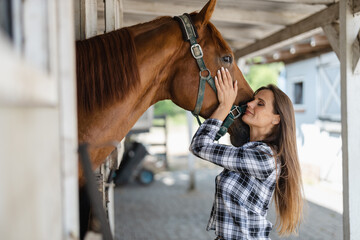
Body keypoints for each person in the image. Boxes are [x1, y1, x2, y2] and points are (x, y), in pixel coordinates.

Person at [190, 67, 304, 240]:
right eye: (253, 100)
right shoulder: (250, 150)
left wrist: (224, 106)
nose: (249, 104)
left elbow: (200, 145)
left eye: (260, 104)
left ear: (276, 119)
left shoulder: (265, 158)